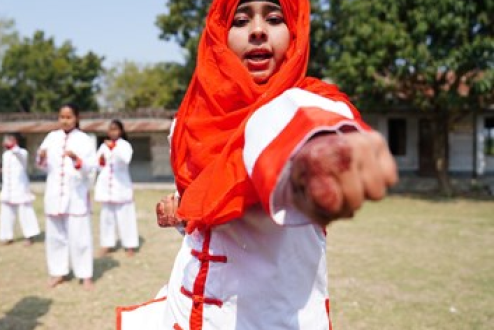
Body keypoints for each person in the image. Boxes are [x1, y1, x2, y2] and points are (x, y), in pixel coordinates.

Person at [116, 1, 398, 329]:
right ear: (219, 33)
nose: (259, 30)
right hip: (187, 309)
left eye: (275, 18)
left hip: (273, 319)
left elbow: (304, 134)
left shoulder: (310, 104)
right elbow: (208, 207)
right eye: (240, 19)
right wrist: (183, 213)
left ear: (295, 32)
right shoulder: (188, 122)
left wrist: (326, 158)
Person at [37, 103, 96, 290]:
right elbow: (42, 166)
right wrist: (41, 156)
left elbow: (91, 167)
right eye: (62, 116)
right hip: (54, 193)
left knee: (80, 237)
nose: (65, 120)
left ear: (76, 118)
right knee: (55, 236)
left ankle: (85, 274)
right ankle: (58, 272)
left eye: (69, 117)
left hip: (76, 194)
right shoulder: (51, 138)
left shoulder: (85, 140)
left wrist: (76, 159)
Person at [94, 120, 139, 257]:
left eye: (115, 129)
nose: (112, 132)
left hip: (121, 187)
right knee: (106, 218)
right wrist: (101, 159)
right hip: (106, 187)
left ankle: (129, 244)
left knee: (126, 217)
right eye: (110, 129)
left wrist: (113, 147)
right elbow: (98, 166)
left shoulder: (125, 145)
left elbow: (125, 159)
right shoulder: (103, 146)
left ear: (120, 131)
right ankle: (107, 243)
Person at [0, 133, 40, 246]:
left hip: (20, 188)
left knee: (25, 213)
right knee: (6, 213)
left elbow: (17, 153)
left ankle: (29, 236)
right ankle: (7, 236)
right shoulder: (5, 155)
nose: (5, 142)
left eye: (8, 139)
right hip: (7, 188)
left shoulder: (22, 152)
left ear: (15, 141)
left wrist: (12, 146)